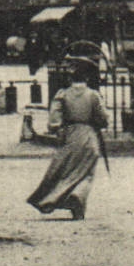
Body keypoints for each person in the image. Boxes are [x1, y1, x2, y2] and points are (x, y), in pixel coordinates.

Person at [26, 61, 109, 220]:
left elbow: (54, 119)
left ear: (71, 79)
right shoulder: (93, 95)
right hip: (89, 136)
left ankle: (53, 199)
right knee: (86, 173)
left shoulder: (62, 95)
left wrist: (57, 129)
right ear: (87, 79)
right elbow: (103, 119)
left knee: (65, 171)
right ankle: (77, 198)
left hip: (70, 135)